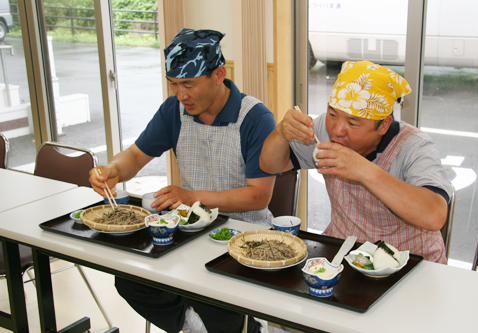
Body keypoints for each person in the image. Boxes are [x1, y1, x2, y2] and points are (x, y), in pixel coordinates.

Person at [89, 28, 274, 333]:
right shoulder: (174, 111)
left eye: (188, 84)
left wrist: (191, 197)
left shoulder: (254, 118)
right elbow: (136, 156)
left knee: (212, 295)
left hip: (246, 235)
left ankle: (239, 325)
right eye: (173, 84)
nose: (181, 95)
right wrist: (113, 170)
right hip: (191, 232)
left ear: (218, 75)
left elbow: (259, 197)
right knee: (129, 279)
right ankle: (194, 325)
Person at [260, 60, 452, 264]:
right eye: (332, 114)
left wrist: (364, 170)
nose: (337, 130)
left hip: (410, 262)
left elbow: (434, 215)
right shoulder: (323, 129)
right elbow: (269, 165)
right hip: (344, 253)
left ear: (384, 125)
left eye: (352, 123)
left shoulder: (415, 146)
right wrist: (280, 133)